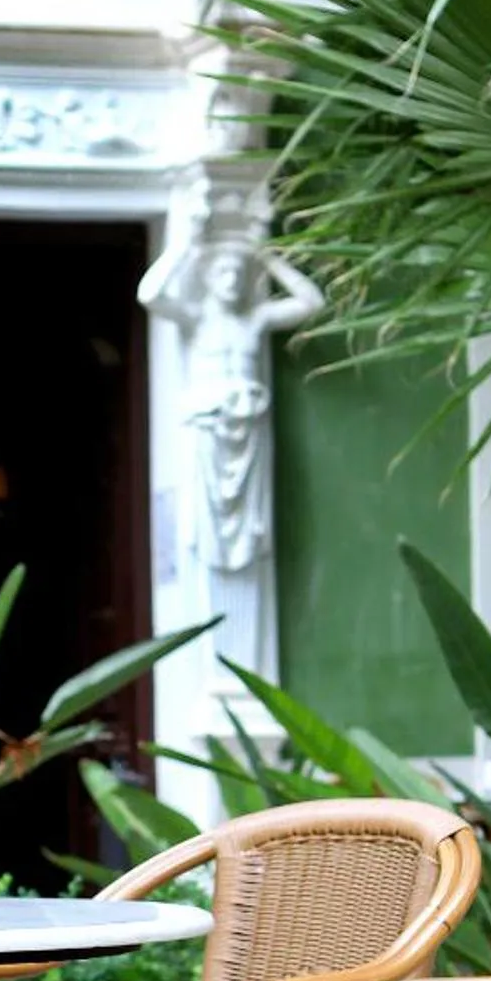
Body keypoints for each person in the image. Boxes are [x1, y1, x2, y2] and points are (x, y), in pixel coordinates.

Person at [140, 185, 322, 664]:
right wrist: (184, 245)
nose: (232, 280)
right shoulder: (197, 319)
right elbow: (150, 293)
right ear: (208, 276)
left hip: (247, 435)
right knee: (209, 534)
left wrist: (269, 258)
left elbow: (311, 302)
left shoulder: (254, 320)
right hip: (208, 432)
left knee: (248, 535)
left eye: (239, 273)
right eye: (223, 271)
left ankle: (236, 664)